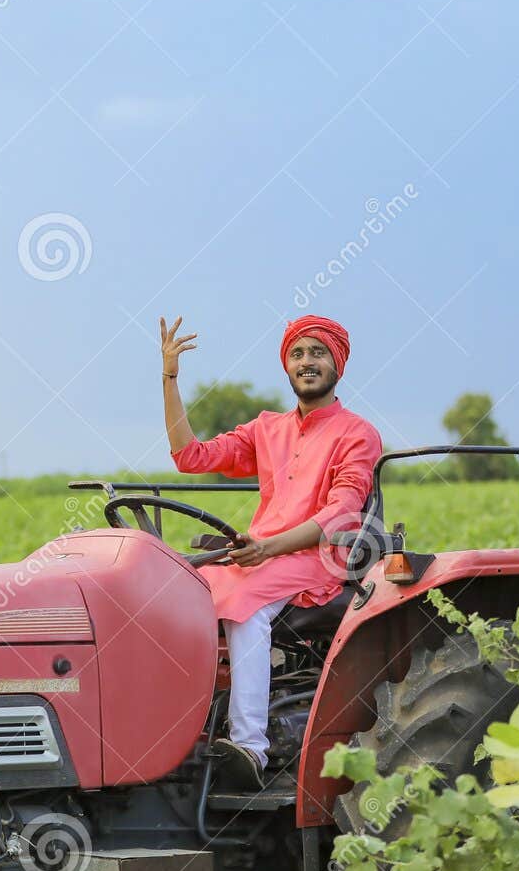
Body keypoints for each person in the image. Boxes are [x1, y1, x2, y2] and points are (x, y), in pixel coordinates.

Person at [160, 313, 381, 790]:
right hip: (260, 555)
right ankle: (176, 730)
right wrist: (170, 377)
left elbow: (341, 513)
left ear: (337, 363)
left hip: (317, 557)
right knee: (181, 593)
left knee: (244, 604)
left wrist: (266, 550)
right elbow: (190, 457)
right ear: (286, 366)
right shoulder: (266, 429)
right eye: (298, 354)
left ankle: (249, 747)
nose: (307, 362)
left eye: (318, 353)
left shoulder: (356, 433)